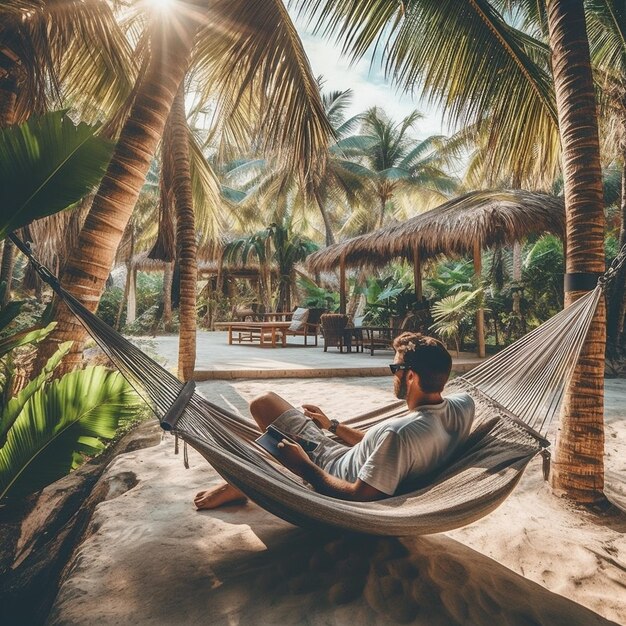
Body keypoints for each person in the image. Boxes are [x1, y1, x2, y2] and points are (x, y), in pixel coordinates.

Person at [194, 332, 475, 509]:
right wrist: (332, 426)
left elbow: (358, 496)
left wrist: (303, 467)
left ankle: (242, 484)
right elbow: (377, 448)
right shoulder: (463, 406)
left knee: (261, 404)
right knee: (269, 405)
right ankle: (246, 480)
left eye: (394, 367)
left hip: (327, 467)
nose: (392, 374)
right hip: (342, 452)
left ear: (410, 376)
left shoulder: (398, 434)